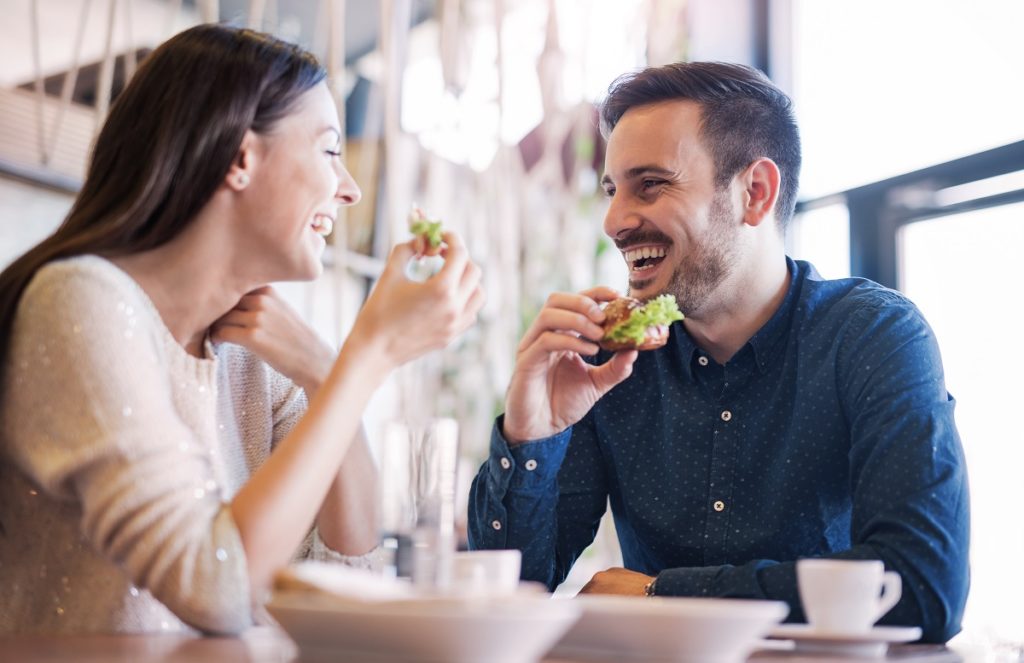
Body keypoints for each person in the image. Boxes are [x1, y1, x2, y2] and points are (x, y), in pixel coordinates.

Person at [0, 25, 483, 635]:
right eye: (330, 150)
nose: (351, 188)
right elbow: (217, 588)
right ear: (240, 158)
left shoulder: (254, 359)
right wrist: (369, 357)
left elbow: (349, 579)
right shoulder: (78, 301)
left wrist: (327, 370)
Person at [468, 61, 968, 643]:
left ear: (754, 193)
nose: (614, 220)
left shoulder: (872, 337)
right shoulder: (606, 363)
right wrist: (533, 434)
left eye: (650, 184)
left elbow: (925, 586)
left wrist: (664, 595)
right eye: (611, 189)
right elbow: (505, 596)